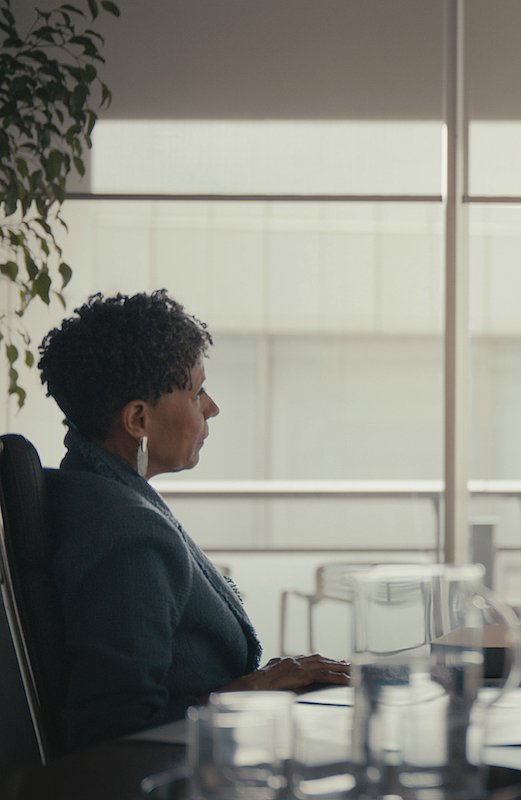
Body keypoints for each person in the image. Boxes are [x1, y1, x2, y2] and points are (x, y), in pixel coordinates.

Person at [37, 291, 349, 752]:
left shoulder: (90, 489)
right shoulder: (126, 533)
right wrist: (253, 692)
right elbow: (115, 727)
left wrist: (263, 682)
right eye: (196, 391)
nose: (211, 407)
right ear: (139, 418)